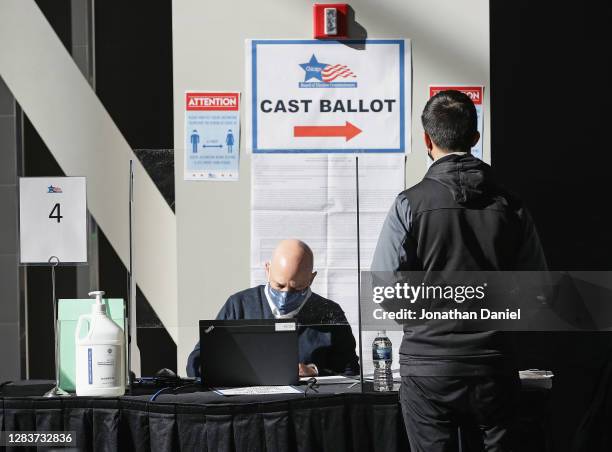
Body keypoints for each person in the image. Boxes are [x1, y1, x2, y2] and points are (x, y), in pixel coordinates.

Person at [371, 90, 547, 451]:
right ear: (475, 139)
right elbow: (538, 291)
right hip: (493, 365)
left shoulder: (409, 204)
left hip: (428, 365)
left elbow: (385, 289)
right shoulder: (511, 206)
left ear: (427, 139)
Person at [187, 239, 359, 378]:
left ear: (311, 278)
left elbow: (350, 370)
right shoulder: (239, 306)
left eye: (296, 288)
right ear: (267, 270)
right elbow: (198, 362)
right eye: (279, 285)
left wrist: (315, 371)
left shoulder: (330, 313)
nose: (285, 295)